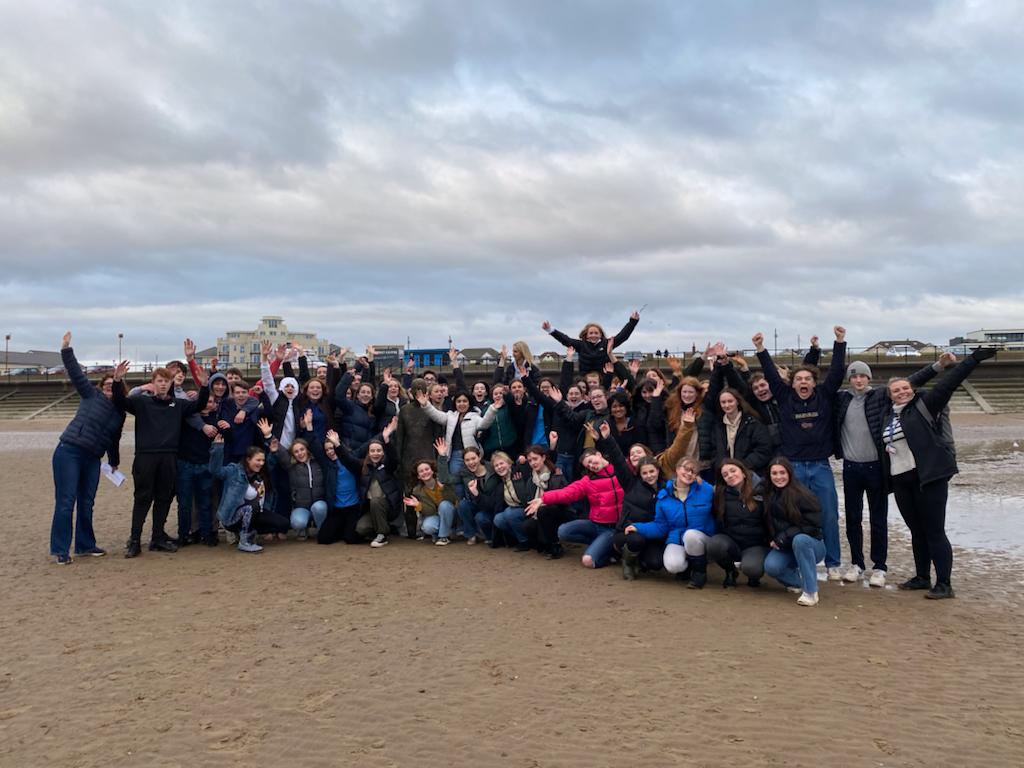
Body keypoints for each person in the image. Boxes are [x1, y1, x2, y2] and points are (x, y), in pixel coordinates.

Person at [881, 348, 997, 599]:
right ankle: (922, 577)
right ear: (890, 396)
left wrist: (972, 360)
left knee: (934, 531)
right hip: (901, 480)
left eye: (906, 388)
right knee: (916, 530)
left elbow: (948, 384)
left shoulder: (924, 406)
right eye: (896, 390)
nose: (902, 392)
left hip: (928, 478)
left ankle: (944, 583)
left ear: (912, 390)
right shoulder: (888, 416)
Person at [836, 354, 950, 586]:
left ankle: (879, 567)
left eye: (863, 376)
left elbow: (910, 381)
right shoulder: (841, 399)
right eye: (854, 376)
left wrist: (938, 366)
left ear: (869, 378)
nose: (858, 380)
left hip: (876, 467)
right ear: (849, 379)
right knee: (853, 518)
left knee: (878, 518)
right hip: (850, 467)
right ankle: (857, 564)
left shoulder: (880, 395)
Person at [753, 326, 846, 579]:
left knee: (828, 515)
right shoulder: (784, 397)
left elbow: (837, 373)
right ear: (792, 383)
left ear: (814, 382)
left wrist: (839, 342)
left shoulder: (824, 396)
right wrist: (760, 349)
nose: (803, 382)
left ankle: (833, 563)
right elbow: (771, 374)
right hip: (793, 468)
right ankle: (796, 560)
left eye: (807, 379)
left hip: (820, 465)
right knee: (793, 515)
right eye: (798, 379)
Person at [113, 349, 209, 558]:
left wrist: (204, 386)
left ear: (171, 383)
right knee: (142, 498)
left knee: (164, 497)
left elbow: (199, 405)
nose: (163, 384)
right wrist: (117, 380)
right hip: (146, 456)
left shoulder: (178, 404)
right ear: (153, 383)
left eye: (167, 381)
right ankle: (135, 540)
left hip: (169, 456)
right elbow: (120, 402)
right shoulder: (142, 402)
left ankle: (157, 538)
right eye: (160, 381)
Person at [49, 332, 126, 564]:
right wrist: (66, 349)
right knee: (66, 502)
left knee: (87, 502)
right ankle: (61, 550)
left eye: (114, 385)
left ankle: (84, 545)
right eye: (107, 385)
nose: (110, 388)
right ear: (101, 387)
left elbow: (114, 439)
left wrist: (114, 462)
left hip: (93, 458)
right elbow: (75, 373)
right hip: (70, 451)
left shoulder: (120, 413)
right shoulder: (90, 395)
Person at [526, 444, 624, 568]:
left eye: (591, 461)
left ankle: (609, 549)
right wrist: (543, 499)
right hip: (595, 524)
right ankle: (606, 546)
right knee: (563, 531)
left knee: (588, 561)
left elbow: (619, 454)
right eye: (588, 465)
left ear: (599, 455)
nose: (591, 466)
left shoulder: (620, 472)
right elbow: (568, 492)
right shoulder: (588, 481)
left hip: (613, 528)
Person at [622, 457, 715, 587]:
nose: (689, 473)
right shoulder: (664, 496)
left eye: (693, 471)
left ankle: (699, 572)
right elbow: (661, 526)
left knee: (691, 535)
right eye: (686, 469)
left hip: (703, 537)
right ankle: (688, 566)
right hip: (677, 538)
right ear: (677, 469)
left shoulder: (706, 489)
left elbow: (723, 490)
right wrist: (638, 527)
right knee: (673, 565)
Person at [599, 423, 665, 580]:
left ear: (658, 470)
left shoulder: (666, 487)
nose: (649, 475)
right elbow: (618, 461)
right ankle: (628, 562)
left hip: (653, 533)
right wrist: (608, 438)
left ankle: (641, 560)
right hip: (627, 532)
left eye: (652, 471)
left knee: (655, 563)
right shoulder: (630, 483)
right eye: (645, 473)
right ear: (640, 474)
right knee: (636, 539)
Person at [762, 458, 826, 606]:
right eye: (774, 473)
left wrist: (784, 536)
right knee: (771, 567)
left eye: (782, 472)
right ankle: (798, 582)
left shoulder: (803, 494)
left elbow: (814, 524)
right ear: (769, 475)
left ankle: (810, 592)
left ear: (790, 473)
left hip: (812, 545)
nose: (778, 477)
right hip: (785, 546)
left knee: (800, 539)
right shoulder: (766, 492)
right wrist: (770, 539)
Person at [209, 433, 278, 554]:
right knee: (252, 507)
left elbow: (270, 464)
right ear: (248, 459)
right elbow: (216, 471)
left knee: (282, 524)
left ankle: (251, 532)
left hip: (255, 512)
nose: (261, 463)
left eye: (263, 460)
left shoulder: (260, 473)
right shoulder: (234, 471)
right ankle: (244, 541)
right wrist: (218, 448)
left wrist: (273, 452)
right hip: (232, 517)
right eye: (258, 460)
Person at [706, 459, 770, 588]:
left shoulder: (761, 490)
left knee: (752, 569)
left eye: (733, 471)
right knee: (714, 545)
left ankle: (753, 576)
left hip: (755, 544)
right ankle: (730, 571)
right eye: (725, 475)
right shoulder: (720, 494)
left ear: (743, 472)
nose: (730, 475)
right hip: (732, 541)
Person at [275, 411, 327, 541]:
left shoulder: (318, 461)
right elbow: (280, 451)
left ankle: (322, 530)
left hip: (318, 502)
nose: (300, 453)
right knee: (298, 522)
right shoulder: (292, 465)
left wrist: (309, 426)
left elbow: (315, 443)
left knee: (319, 507)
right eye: (296, 451)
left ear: (307, 450)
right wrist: (268, 435)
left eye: (302, 449)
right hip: (301, 505)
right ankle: (303, 529)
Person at [355, 417, 403, 547]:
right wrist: (337, 445)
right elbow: (348, 458)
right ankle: (383, 528)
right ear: (368, 453)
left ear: (383, 452)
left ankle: (382, 534)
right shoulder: (364, 467)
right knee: (360, 529)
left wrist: (386, 440)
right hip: (371, 508)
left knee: (376, 501)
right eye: (372, 451)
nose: (375, 454)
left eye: (378, 450)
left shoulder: (388, 466)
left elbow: (393, 458)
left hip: (388, 505)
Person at [542, 311, 640, 374]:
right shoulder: (581, 345)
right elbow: (566, 340)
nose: (594, 335)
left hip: (603, 378)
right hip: (585, 380)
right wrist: (550, 330)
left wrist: (632, 322)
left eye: (596, 333)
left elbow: (622, 336)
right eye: (591, 333)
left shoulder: (607, 344)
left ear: (601, 334)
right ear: (586, 335)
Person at [709, 387, 772, 477]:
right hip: (726, 475)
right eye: (723, 402)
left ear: (737, 401)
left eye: (730, 401)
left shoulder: (752, 423)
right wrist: (721, 467)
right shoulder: (718, 426)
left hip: (750, 473)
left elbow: (763, 449)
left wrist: (741, 466)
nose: (727, 405)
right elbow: (714, 451)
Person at [404, 460, 458, 545]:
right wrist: (419, 505)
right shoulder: (417, 491)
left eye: (427, 469)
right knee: (427, 527)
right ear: (418, 476)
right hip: (436, 516)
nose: (425, 472)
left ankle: (443, 537)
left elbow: (453, 500)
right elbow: (430, 512)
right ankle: (445, 532)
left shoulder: (444, 481)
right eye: (421, 471)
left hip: (452, 514)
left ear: (432, 471)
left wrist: (443, 489)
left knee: (444, 505)